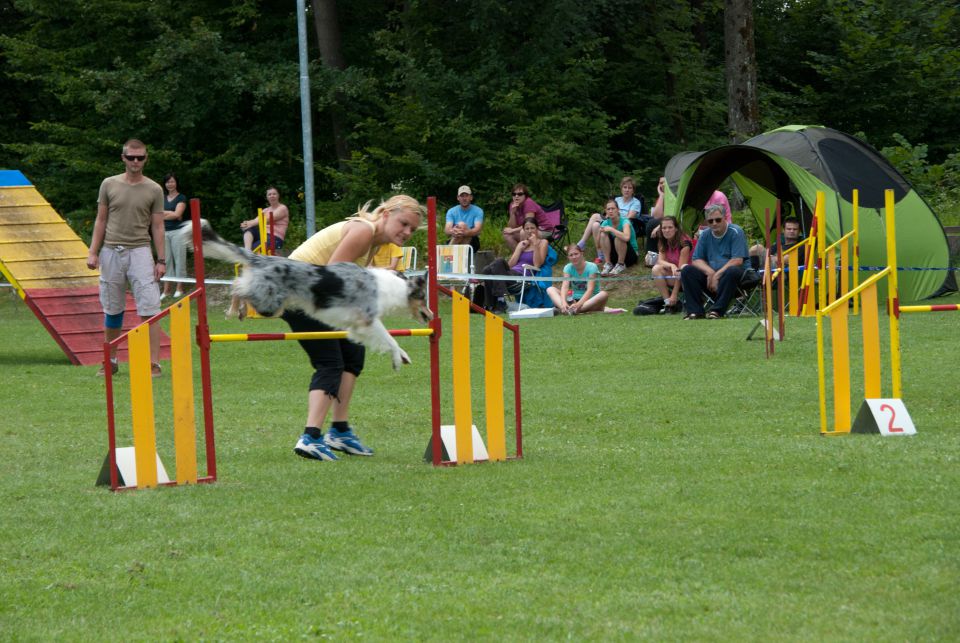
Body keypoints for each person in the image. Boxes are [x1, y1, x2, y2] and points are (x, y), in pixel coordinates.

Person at [286, 195, 424, 462]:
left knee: (353, 356)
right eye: (403, 223)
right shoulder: (363, 231)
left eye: (412, 229)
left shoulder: (374, 240)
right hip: (301, 296)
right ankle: (310, 437)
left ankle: (339, 431)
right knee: (330, 363)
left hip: (317, 296)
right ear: (385, 213)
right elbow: (332, 279)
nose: (407, 232)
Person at [86, 138, 165, 377]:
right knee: (112, 309)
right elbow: (100, 220)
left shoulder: (154, 189)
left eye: (140, 157)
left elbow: (158, 226)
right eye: (131, 157)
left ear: (145, 159)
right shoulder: (109, 184)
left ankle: (153, 363)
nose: (135, 161)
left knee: (149, 307)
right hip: (110, 250)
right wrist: (93, 251)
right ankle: (110, 360)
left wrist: (161, 260)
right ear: (123, 158)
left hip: (141, 251)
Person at [680, 202, 751, 319]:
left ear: (725, 218)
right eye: (710, 221)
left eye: (718, 220)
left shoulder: (736, 232)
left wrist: (717, 275)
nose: (714, 223)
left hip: (736, 278)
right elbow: (696, 259)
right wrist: (710, 273)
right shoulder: (705, 235)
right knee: (687, 270)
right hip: (712, 278)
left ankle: (717, 311)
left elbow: (737, 260)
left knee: (732, 270)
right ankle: (695, 311)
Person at [476, 217, 548, 313]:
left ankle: (497, 302)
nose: (530, 231)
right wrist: (519, 249)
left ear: (537, 229)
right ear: (523, 230)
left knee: (492, 267)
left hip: (522, 276)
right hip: (511, 273)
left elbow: (537, 264)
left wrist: (534, 245)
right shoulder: (521, 244)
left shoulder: (543, 243)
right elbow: (510, 265)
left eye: (532, 228)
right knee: (490, 267)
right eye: (527, 228)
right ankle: (498, 302)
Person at [576, 176, 642, 265]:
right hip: (612, 220)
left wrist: (613, 218)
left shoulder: (636, 202)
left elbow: (629, 217)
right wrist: (607, 221)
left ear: (633, 190)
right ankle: (598, 252)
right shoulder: (617, 200)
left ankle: (585, 246)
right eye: (625, 187)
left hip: (624, 224)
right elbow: (608, 214)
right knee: (595, 223)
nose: (627, 190)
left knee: (598, 223)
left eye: (630, 188)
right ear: (621, 189)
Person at [546, 244, 609, 315]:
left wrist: (578, 304)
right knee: (550, 289)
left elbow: (590, 290)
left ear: (581, 254)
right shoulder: (568, 268)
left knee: (604, 294)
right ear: (568, 257)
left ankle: (572, 310)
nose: (574, 257)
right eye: (571, 255)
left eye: (576, 254)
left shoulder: (592, 267)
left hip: (590, 299)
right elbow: (565, 287)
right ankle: (565, 308)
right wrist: (563, 302)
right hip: (574, 299)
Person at [650, 216, 693, 313]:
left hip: (687, 278)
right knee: (656, 269)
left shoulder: (684, 243)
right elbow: (660, 260)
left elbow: (681, 271)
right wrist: (671, 265)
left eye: (670, 227)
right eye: (664, 228)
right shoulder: (663, 240)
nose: (667, 230)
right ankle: (668, 303)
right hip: (674, 274)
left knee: (681, 269)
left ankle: (674, 299)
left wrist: (674, 294)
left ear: (676, 228)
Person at [161, 173, 187, 299]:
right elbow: (155, 214)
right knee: (166, 261)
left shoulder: (181, 197)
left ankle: (180, 288)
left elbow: (177, 215)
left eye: (172, 181)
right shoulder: (162, 198)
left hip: (178, 232)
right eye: (167, 182)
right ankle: (166, 290)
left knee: (179, 259)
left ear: (176, 183)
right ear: (165, 184)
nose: (170, 184)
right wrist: (171, 213)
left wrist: (165, 214)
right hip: (164, 232)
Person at [240, 186, 289, 254]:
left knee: (255, 247)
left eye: (274, 194)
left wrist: (250, 223)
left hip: (275, 238)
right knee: (250, 229)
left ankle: (250, 253)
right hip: (263, 237)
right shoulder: (265, 210)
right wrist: (246, 224)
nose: (272, 196)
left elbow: (268, 219)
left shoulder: (282, 208)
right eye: (269, 194)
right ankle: (247, 251)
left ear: (278, 195)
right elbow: (255, 221)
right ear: (267, 197)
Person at [502, 183, 551, 250]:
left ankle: (527, 255)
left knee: (523, 232)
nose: (516, 196)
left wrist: (512, 230)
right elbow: (512, 226)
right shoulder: (512, 205)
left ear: (525, 195)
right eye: (514, 194)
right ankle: (519, 256)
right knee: (507, 235)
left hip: (544, 230)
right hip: (529, 230)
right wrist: (512, 213)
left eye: (520, 194)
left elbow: (529, 224)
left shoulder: (528, 203)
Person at [597, 198, 639, 276]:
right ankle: (608, 264)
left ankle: (621, 264)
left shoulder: (625, 221)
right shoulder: (605, 223)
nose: (610, 211)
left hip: (631, 254)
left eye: (613, 208)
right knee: (603, 234)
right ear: (606, 211)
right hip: (616, 253)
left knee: (618, 237)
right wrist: (600, 232)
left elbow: (626, 237)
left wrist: (612, 229)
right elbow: (598, 245)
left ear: (618, 210)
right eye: (608, 209)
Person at [444, 185, 483, 251]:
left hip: (472, 241)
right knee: (459, 230)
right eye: (462, 196)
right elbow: (447, 230)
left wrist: (466, 232)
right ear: (458, 198)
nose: (464, 198)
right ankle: (458, 255)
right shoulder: (451, 211)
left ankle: (448, 253)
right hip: (456, 237)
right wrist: (454, 231)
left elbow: (478, 229)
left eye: (466, 196)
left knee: (462, 226)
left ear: (471, 197)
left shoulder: (478, 211)